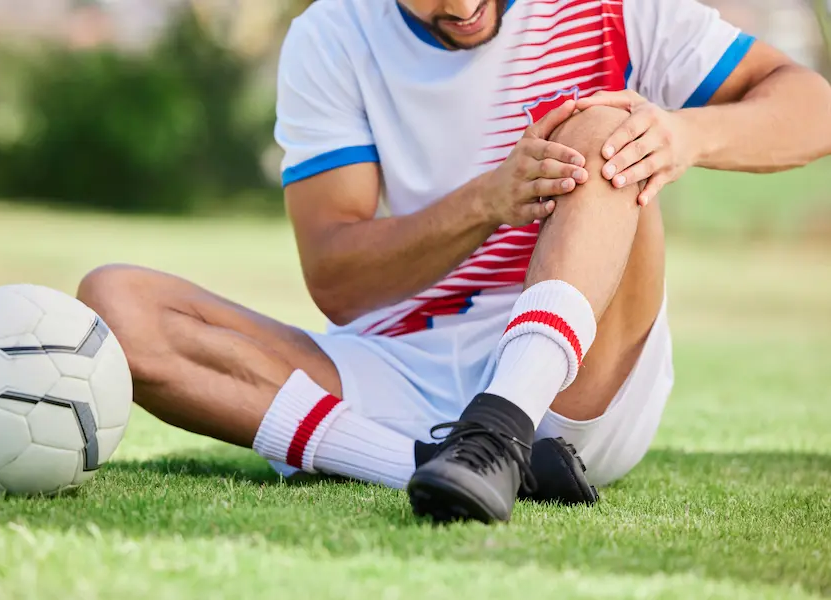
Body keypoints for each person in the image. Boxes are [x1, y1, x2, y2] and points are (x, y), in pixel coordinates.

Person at [78, 0, 831, 524]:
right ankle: (435, 462)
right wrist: (485, 202)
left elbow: (812, 105)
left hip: (574, 381)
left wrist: (688, 135)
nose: (465, 5)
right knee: (116, 304)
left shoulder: (614, 5)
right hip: (402, 370)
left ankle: (503, 424)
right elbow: (338, 283)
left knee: (605, 124)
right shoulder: (331, 36)